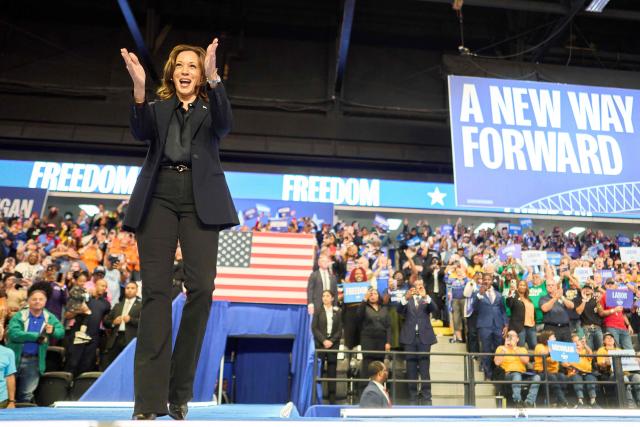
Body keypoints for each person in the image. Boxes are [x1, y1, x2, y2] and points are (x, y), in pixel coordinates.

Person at [120, 38, 238, 420]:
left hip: (200, 197)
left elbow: (225, 124)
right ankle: (148, 402)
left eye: (193, 65)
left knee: (201, 288)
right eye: (180, 65)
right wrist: (139, 88)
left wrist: (215, 76)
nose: (185, 71)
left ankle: (179, 391)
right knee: (155, 292)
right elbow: (140, 132)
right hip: (159, 196)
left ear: (200, 74)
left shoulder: (210, 105)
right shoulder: (157, 107)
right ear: (171, 71)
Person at [6, 283, 64, 403]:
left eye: (41, 299)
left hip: (34, 361)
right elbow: (13, 334)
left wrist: (53, 330)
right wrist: (36, 336)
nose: (37, 302)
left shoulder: (49, 317)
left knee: (26, 395)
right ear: (29, 301)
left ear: (45, 301)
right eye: (34, 299)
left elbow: (61, 332)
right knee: (6, 394)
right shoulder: (20, 315)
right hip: (14, 359)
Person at [398, 281, 437, 405]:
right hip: (409, 338)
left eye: (421, 285)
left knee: (425, 370)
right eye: (416, 286)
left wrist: (425, 296)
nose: (418, 287)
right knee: (411, 370)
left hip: (424, 339)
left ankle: (427, 398)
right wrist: (405, 298)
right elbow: (398, 310)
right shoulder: (407, 299)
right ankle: (413, 398)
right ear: (412, 288)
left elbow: (435, 309)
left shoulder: (426, 299)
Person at [494, 330, 540, 408]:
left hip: (522, 374)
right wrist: (504, 349)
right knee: (516, 375)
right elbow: (497, 363)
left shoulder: (522, 349)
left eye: (513, 336)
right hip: (508, 375)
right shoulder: (501, 348)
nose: (511, 338)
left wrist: (515, 349)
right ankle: (517, 401)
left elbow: (526, 361)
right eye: (509, 336)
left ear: (517, 339)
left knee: (537, 377)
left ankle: (529, 402)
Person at [311, 290, 342, 404]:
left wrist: (331, 341)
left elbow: (339, 330)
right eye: (323, 296)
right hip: (321, 344)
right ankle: (317, 399)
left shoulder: (337, 311)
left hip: (333, 345)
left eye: (327, 296)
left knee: (332, 372)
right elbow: (314, 328)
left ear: (332, 298)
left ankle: (332, 400)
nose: (325, 298)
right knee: (318, 371)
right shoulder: (318, 310)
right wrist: (324, 340)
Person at [357, 289, 391, 391]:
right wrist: (364, 299)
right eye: (370, 294)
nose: (373, 296)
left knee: (379, 366)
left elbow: (388, 326)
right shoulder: (364, 307)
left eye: (375, 293)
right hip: (368, 340)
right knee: (367, 365)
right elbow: (358, 316)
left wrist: (388, 342)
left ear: (378, 296)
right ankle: (363, 390)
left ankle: (378, 389)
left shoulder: (384, 308)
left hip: (381, 341)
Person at [102, 282, 141, 370]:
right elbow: (105, 321)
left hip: (131, 340)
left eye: (132, 288)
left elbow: (145, 323)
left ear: (137, 290)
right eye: (127, 288)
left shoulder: (141, 306)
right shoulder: (117, 305)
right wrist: (113, 322)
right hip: (115, 339)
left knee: (128, 366)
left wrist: (131, 320)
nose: (130, 290)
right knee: (112, 365)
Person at [533, 331, 568, 407]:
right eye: (553, 337)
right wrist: (551, 347)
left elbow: (561, 361)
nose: (555, 339)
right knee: (553, 378)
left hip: (554, 372)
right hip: (542, 372)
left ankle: (559, 403)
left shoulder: (555, 348)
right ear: (547, 339)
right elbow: (544, 354)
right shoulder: (539, 346)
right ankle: (563, 401)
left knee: (562, 377)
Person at [563, 334, 598, 408]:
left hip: (587, 373)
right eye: (574, 341)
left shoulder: (585, 351)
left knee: (590, 378)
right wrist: (568, 366)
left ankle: (593, 400)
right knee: (577, 378)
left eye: (578, 340)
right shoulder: (569, 353)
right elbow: (564, 363)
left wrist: (585, 345)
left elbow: (590, 353)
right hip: (575, 373)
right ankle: (580, 401)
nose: (577, 343)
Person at [0, 344, 16, 408]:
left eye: (1, 332)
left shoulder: (8, 352)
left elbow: (10, 377)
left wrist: (11, 401)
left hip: (2, 401)